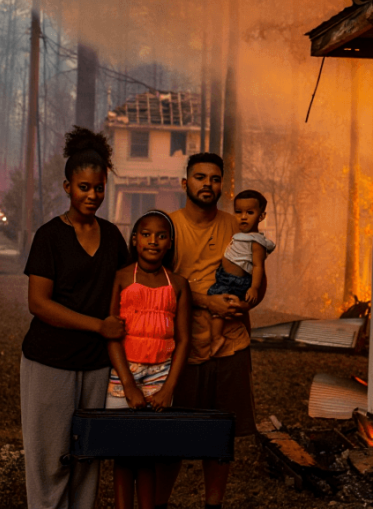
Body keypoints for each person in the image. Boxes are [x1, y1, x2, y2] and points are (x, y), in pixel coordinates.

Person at [20, 127, 129, 509]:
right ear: (67, 187)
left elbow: (131, 291)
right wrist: (98, 326)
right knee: (51, 460)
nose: (93, 195)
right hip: (50, 361)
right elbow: (39, 304)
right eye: (84, 187)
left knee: (87, 458)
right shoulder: (49, 237)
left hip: (97, 364)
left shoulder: (113, 237)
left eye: (99, 188)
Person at [157, 153, 260, 509]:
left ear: (222, 186)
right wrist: (206, 301)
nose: (208, 184)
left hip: (230, 347)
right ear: (185, 183)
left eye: (215, 179)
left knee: (220, 439)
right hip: (181, 349)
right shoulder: (169, 227)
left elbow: (258, 281)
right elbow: (157, 285)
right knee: (170, 440)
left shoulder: (237, 226)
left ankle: (213, 505)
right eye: (200, 177)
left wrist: (244, 303)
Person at [106, 210, 191, 509]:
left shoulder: (178, 284)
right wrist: (128, 384)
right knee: (123, 453)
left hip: (161, 373)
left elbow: (184, 340)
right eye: (146, 234)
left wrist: (168, 388)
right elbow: (112, 334)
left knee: (147, 452)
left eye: (161, 236)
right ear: (134, 240)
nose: (153, 241)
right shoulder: (120, 278)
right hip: (123, 373)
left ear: (170, 243)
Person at [207, 190, 275, 355]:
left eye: (249, 213)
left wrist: (254, 288)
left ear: (261, 216)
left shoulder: (256, 242)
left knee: (217, 306)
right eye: (238, 212)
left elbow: (258, 266)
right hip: (225, 277)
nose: (243, 217)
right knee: (216, 303)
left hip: (235, 282)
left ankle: (217, 337)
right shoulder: (240, 234)